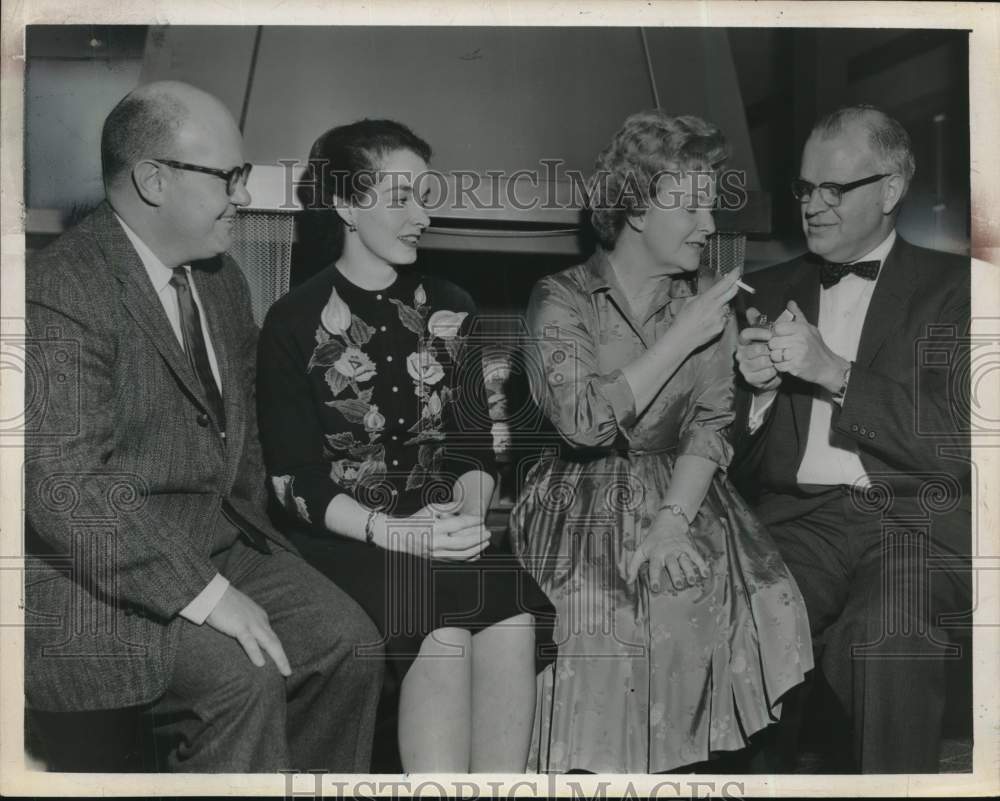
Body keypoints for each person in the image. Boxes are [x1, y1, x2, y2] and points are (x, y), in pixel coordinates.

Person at [24, 81, 383, 773]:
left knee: (349, 643)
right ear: (154, 180)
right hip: (94, 575)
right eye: (230, 177)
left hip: (222, 538)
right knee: (239, 678)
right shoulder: (62, 289)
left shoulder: (219, 280)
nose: (243, 196)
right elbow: (64, 487)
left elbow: (249, 435)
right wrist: (209, 595)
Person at [508, 110, 813, 774]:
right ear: (639, 210)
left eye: (711, 205)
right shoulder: (558, 299)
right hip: (579, 500)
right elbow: (584, 421)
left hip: (684, 487)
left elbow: (709, 423)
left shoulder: (705, 299)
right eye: (693, 207)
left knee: (740, 597)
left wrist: (673, 521)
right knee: (604, 624)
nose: (710, 224)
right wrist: (685, 335)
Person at [255, 119, 556, 773]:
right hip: (348, 534)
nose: (422, 214)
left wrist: (468, 515)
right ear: (345, 205)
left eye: (426, 194)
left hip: (441, 522)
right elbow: (292, 480)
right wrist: (398, 533)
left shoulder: (452, 305)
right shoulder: (292, 320)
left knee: (511, 619)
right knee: (440, 628)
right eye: (401, 198)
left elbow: (474, 448)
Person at [732, 104, 971, 773]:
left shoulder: (960, 289)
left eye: (834, 189)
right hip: (799, 524)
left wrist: (832, 371)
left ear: (890, 189)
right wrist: (759, 393)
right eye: (805, 188)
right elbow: (730, 459)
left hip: (910, 525)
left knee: (888, 636)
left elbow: (957, 442)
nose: (812, 205)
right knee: (748, 621)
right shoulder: (765, 288)